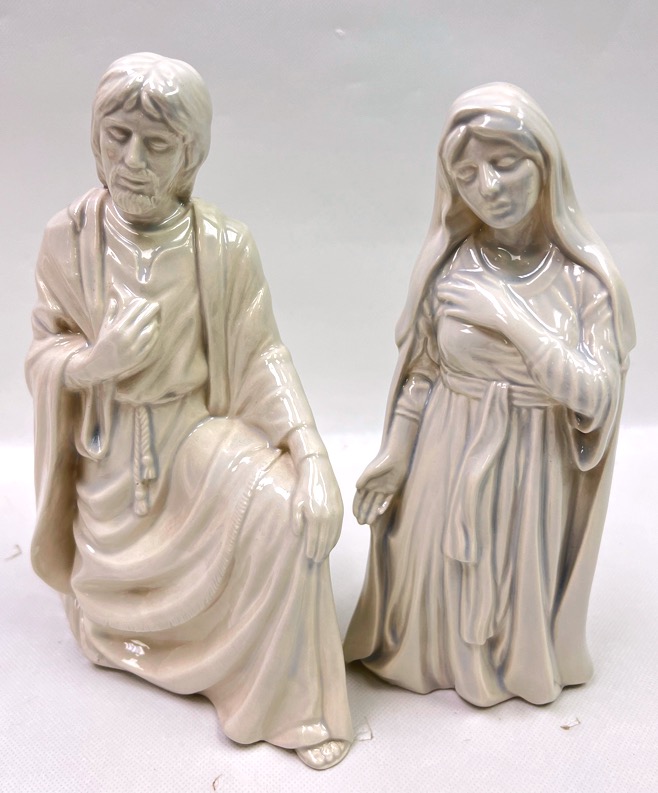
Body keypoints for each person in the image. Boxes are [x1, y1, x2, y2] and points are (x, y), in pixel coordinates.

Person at [27, 52, 351, 769]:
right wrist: (98, 361)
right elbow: (43, 354)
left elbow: (261, 354)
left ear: (190, 157)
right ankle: (121, 623)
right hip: (110, 467)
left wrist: (311, 454)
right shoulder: (68, 239)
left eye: (157, 144)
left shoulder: (224, 248)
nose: (132, 161)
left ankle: (282, 703)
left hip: (193, 440)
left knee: (289, 509)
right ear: (95, 140)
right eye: (117, 137)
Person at [344, 83, 635, 707]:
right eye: (468, 174)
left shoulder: (585, 284)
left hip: (531, 466)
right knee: (434, 579)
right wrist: (397, 454)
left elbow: (593, 396)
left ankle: (510, 664)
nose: (489, 187)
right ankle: (437, 657)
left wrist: (509, 316)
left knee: (510, 578)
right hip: (445, 454)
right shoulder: (449, 267)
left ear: (545, 165)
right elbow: (423, 370)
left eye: (505, 164)